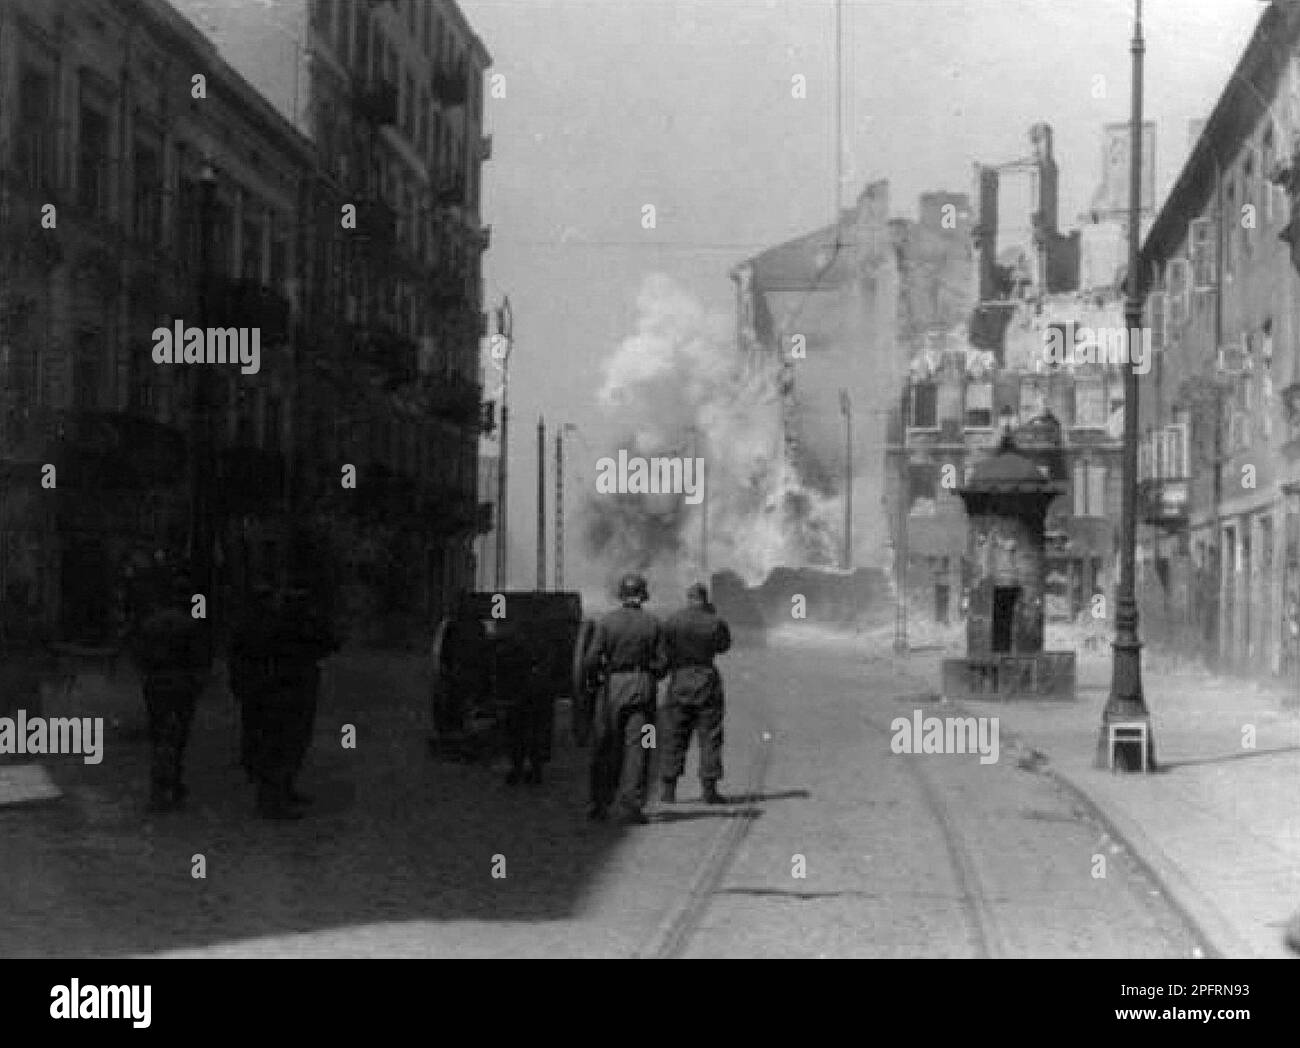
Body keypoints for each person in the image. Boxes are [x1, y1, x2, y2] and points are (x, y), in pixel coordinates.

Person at [581, 572, 667, 824]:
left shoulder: (607, 622)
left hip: (612, 689)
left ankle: (600, 803)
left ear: (622, 595)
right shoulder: (653, 623)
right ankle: (632, 805)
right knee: (640, 746)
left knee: (605, 744)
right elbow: (663, 663)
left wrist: (597, 678)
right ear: (643, 594)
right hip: (643, 688)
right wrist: (649, 673)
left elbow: (589, 660)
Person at [127, 562, 209, 813]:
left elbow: (139, 654)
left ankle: (159, 786)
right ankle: (172, 782)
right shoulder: (190, 625)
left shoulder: (150, 624)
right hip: (182, 684)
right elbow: (200, 658)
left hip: (156, 684)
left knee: (159, 734)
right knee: (179, 736)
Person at [660, 582, 732, 805]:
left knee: (674, 735)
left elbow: (664, 650)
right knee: (710, 736)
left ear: (688, 598)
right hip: (706, 681)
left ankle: (668, 790)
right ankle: (709, 790)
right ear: (705, 599)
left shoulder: (672, 621)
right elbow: (723, 646)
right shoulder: (715, 622)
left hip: (680, 680)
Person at [499, 625, 556, 786]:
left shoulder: (513, 647)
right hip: (536, 690)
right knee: (536, 729)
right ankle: (534, 769)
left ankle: (519, 768)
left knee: (517, 730)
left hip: (520, 691)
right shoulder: (543, 644)